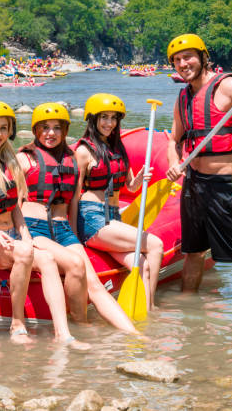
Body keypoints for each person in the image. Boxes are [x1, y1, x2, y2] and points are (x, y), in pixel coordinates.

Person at [0, 101, 89, 348]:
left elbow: (14, 207)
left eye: (3, 128)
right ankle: (17, 323)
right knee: (23, 251)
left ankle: (63, 334)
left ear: (11, 130)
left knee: (48, 260)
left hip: (11, 234)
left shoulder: (9, 159)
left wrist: (25, 234)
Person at [17, 103, 138, 334]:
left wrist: (76, 240)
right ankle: (81, 325)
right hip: (35, 229)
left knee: (94, 285)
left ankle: (135, 336)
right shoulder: (24, 159)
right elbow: (15, 204)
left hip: (64, 230)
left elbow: (73, 203)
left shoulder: (71, 159)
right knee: (75, 264)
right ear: (35, 130)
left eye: (56, 128)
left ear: (64, 130)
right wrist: (20, 237)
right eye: (44, 127)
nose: (50, 133)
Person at [165, 34, 232, 298]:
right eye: (177, 60)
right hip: (195, 185)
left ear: (203, 57)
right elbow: (174, 139)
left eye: (188, 57)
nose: (183, 64)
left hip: (228, 184)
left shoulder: (228, 86)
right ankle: (188, 307)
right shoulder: (183, 97)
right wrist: (174, 162)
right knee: (192, 251)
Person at [72, 93, 164, 311]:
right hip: (92, 218)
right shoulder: (83, 152)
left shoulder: (118, 148)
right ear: (92, 119)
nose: (109, 123)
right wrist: (75, 239)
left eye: (114, 118)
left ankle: (143, 312)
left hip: (113, 217)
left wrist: (141, 178)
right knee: (155, 244)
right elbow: (74, 197)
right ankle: (151, 308)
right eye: (104, 117)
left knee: (143, 265)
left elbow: (130, 186)